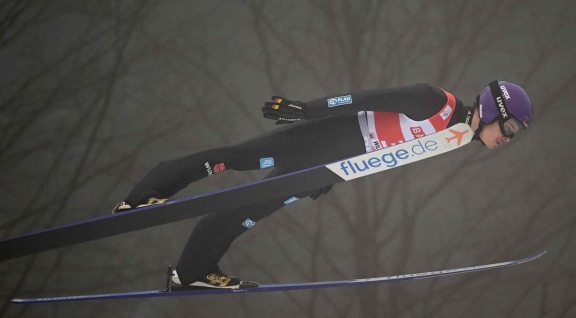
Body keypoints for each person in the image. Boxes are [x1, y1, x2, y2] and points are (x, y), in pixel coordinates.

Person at [112, 80, 533, 289]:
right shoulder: (436, 104)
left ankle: (191, 272)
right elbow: (364, 99)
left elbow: (391, 151)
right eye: (510, 126)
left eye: (517, 133)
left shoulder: (458, 135)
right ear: (493, 108)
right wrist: (305, 111)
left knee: (249, 209)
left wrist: (337, 176)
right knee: (235, 159)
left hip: (332, 164)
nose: (509, 138)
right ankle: (146, 195)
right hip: (325, 138)